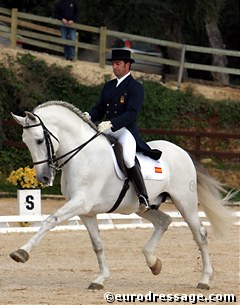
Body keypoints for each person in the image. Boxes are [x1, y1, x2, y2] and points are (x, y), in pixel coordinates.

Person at [84, 49, 162, 213]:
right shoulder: (109, 86)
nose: (115, 67)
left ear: (128, 65)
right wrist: (89, 115)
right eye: (113, 64)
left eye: (118, 64)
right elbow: (99, 108)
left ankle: (143, 196)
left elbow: (132, 113)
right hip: (107, 128)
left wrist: (112, 123)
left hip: (124, 130)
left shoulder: (135, 87)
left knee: (127, 158)